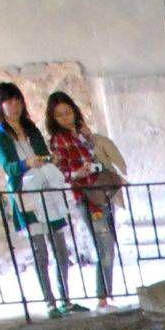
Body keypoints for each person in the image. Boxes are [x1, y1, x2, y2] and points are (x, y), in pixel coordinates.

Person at [0, 80, 73, 312]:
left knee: (60, 247)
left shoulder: (31, 128)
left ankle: (66, 298)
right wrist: (26, 164)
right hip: (26, 193)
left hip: (47, 190)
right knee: (40, 250)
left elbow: (43, 154)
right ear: (0, 104)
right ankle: (49, 301)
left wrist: (49, 159)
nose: (15, 105)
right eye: (9, 101)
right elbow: (8, 166)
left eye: (17, 100)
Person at [44, 90, 125, 303]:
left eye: (68, 112)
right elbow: (61, 173)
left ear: (75, 112)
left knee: (108, 243)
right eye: (59, 115)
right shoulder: (58, 141)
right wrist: (78, 173)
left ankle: (106, 293)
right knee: (104, 244)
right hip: (86, 196)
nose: (65, 118)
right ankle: (102, 296)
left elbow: (97, 160)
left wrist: (88, 139)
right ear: (53, 118)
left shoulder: (82, 134)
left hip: (101, 190)